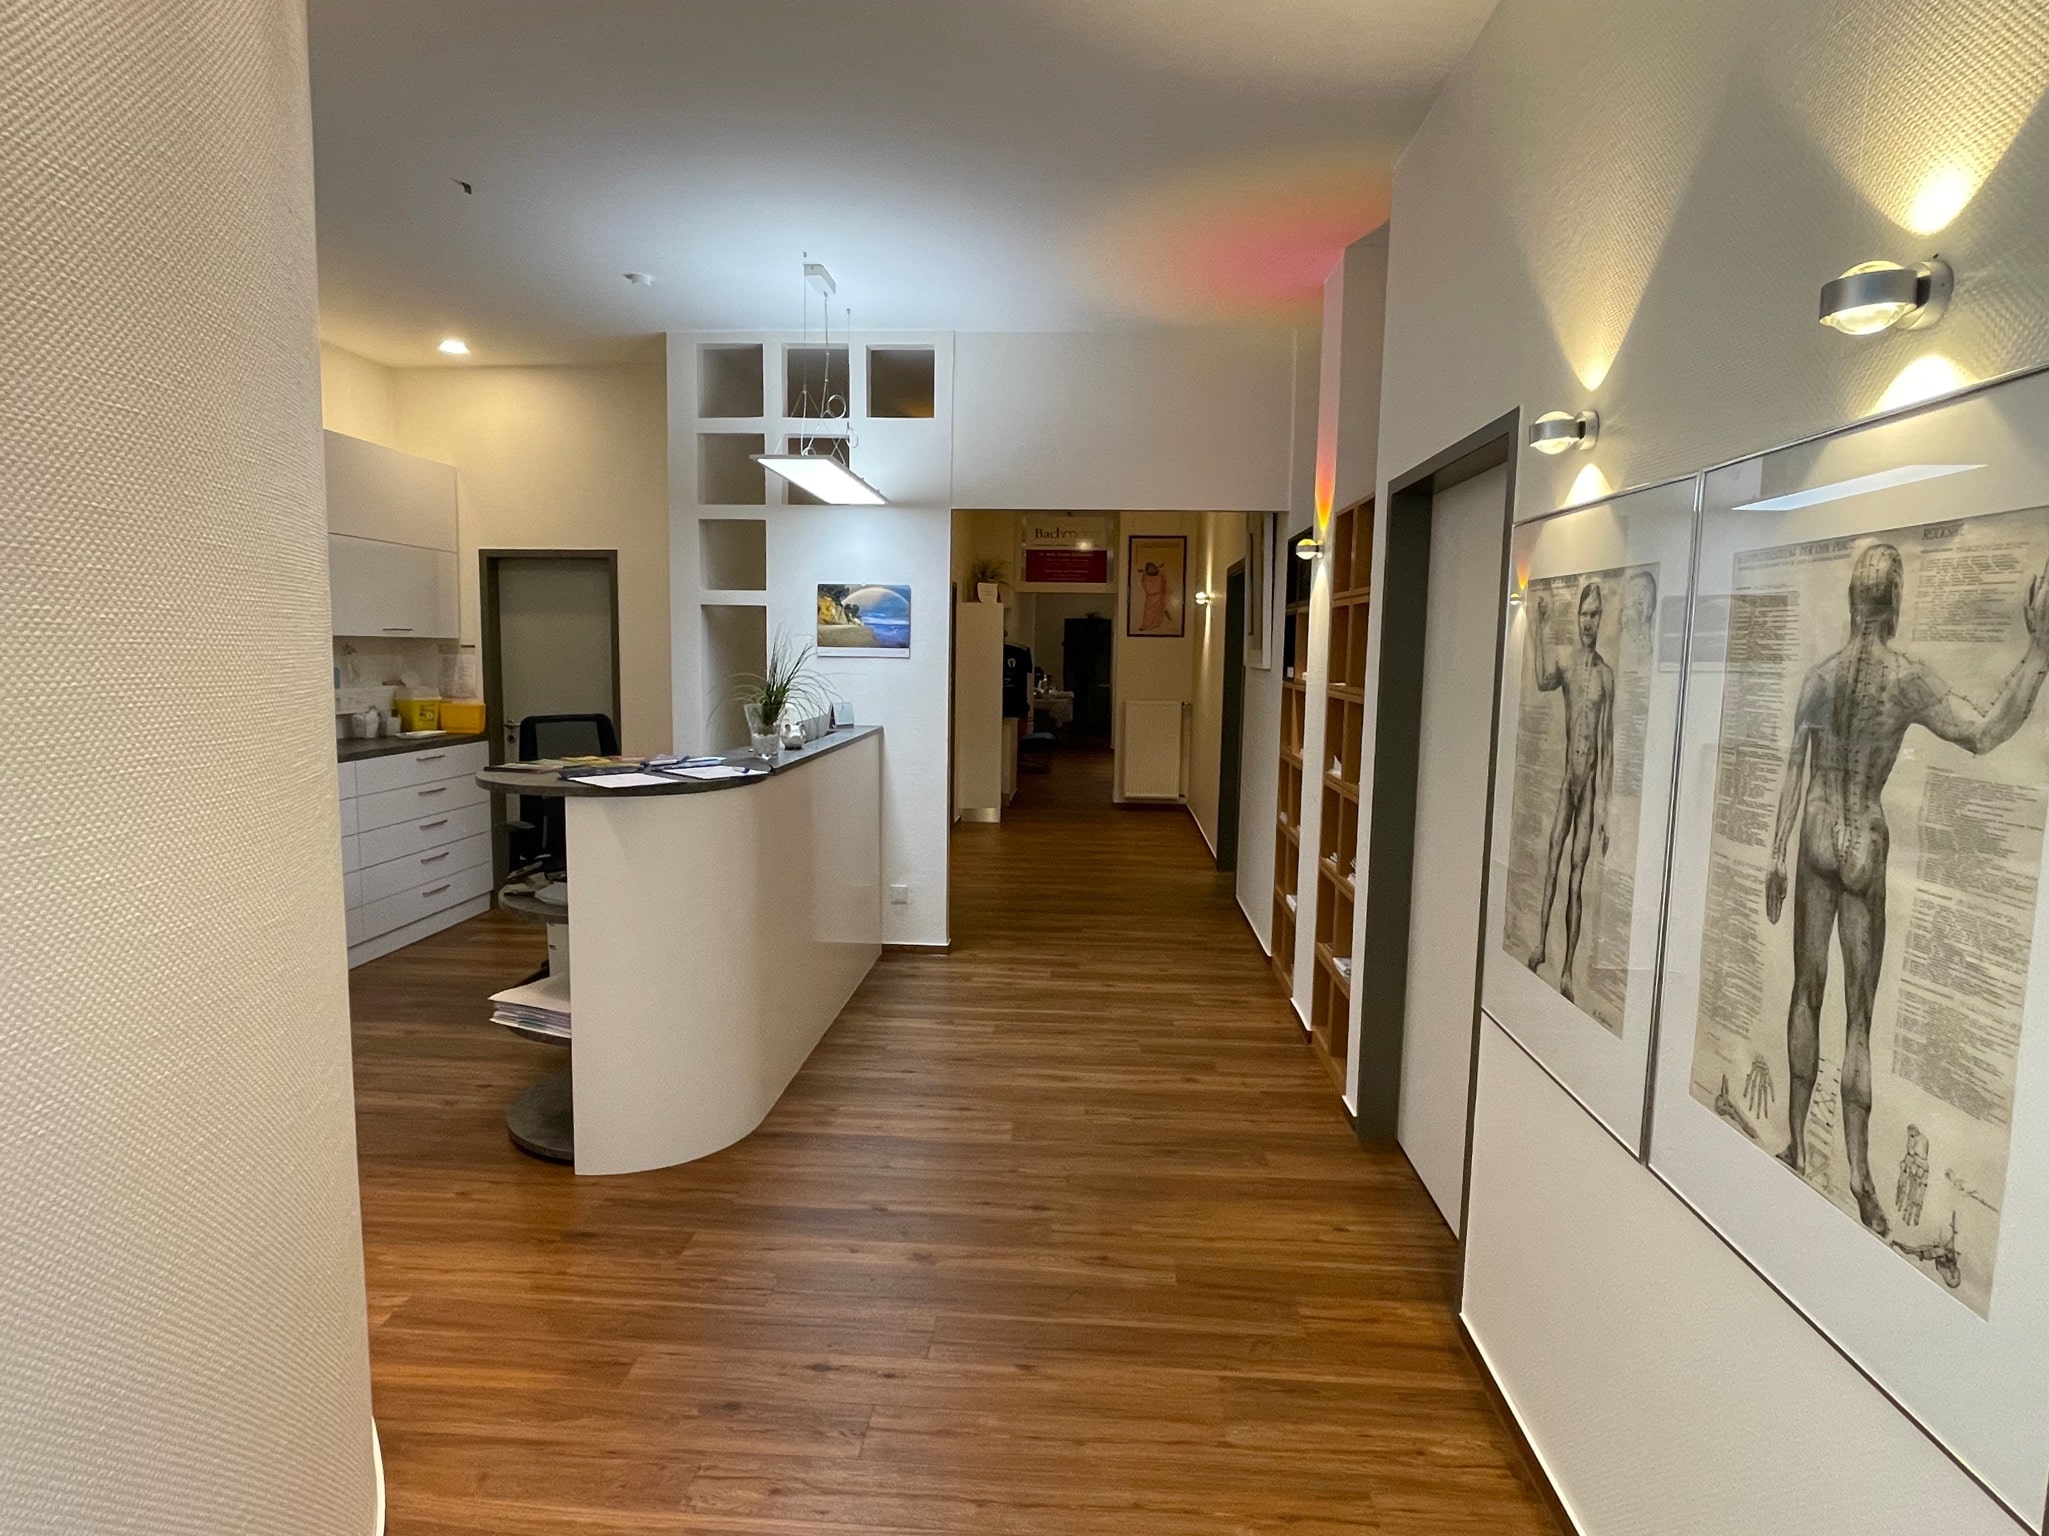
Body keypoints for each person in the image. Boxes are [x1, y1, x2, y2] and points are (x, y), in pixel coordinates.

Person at [1766, 542, 2049, 1235]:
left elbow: (1795, 769)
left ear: (1851, 602)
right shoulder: (1905, 678)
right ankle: (1859, 1179)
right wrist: (2038, 652)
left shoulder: (1820, 677)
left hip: (1815, 833)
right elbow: (1982, 732)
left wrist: (1776, 855)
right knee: (1857, 1021)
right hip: (1863, 838)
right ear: (1892, 602)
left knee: (1806, 994)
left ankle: (1797, 1146)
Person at [1525, 582, 1614, 1001]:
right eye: (1584, 613)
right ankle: (1541, 944)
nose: (1588, 621)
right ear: (1577, 617)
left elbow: (1607, 746)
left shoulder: (1606, 677)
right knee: (1552, 863)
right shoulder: (1567, 663)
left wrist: (1606, 810)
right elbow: (1542, 680)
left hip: (1589, 786)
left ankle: (1566, 970)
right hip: (1567, 780)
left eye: (1594, 614)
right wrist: (1536, 627)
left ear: (1600, 618)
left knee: (1576, 880)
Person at [1138, 561, 1169, 632]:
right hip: (1150, 597)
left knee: (1157, 612)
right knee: (1148, 612)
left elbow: (1163, 584)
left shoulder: (1160, 576)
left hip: (1158, 597)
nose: (1152, 570)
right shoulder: (1146, 577)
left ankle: (1155, 624)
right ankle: (1146, 625)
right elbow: (1145, 586)